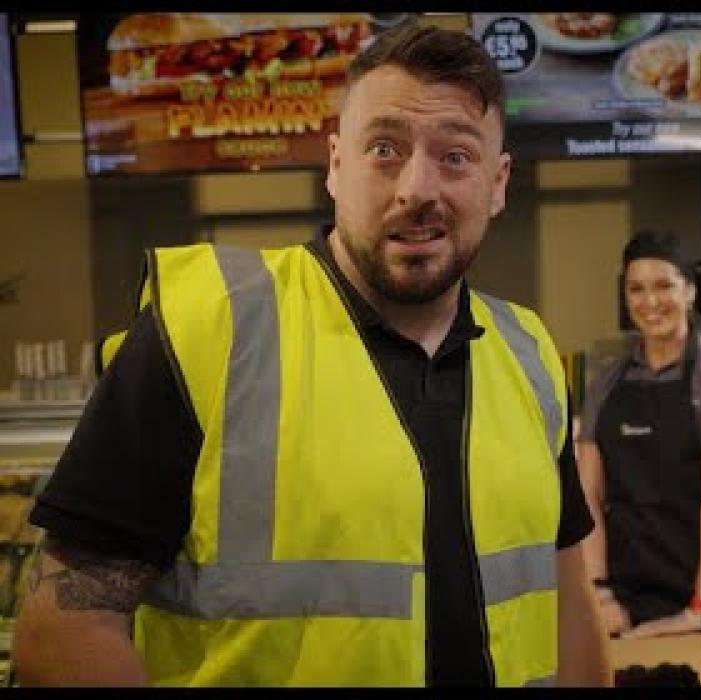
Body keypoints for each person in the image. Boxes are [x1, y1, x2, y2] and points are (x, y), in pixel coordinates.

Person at [13, 22, 610, 687]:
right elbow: (59, 632)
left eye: (456, 156)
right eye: (384, 148)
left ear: (497, 184)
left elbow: (569, 604)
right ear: (335, 165)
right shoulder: (207, 330)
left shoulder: (528, 355)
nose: (417, 187)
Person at [576, 230, 701, 640]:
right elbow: (587, 497)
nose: (650, 301)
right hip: (632, 596)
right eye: (636, 289)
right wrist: (601, 594)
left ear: (690, 292)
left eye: (664, 286)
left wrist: (699, 611)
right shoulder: (607, 384)